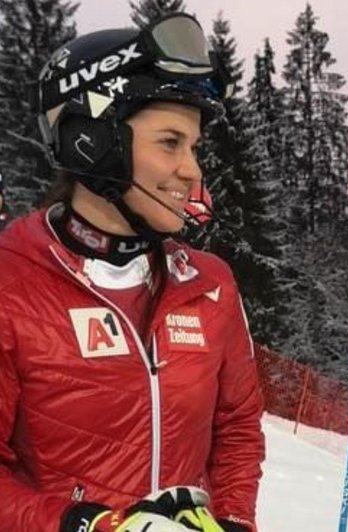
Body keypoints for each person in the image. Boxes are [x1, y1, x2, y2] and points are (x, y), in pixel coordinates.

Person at [0, 14, 264, 532]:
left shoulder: (210, 284)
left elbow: (237, 428)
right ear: (91, 141)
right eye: (170, 143)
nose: (192, 170)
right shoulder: (11, 281)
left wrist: (233, 520)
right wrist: (87, 525)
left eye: (194, 147)